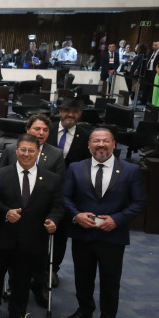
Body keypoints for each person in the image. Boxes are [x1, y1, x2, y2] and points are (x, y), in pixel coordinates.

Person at [63, 128, 147, 318]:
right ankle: (84, 311)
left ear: (114, 144)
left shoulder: (130, 170)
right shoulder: (75, 168)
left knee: (110, 282)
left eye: (106, 141)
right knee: (82, 278)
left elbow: (139, 202)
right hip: (83, 234)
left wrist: (117, 220)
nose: (101, 145)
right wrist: (76, 215)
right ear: (89, 145)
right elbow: (64, 197)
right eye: (96, 141)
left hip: (112, 236)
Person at [0, 134, 63, 318]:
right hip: (3, 236)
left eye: (31, 150)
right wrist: (6, 212)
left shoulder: (52, 179)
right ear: (16, 150)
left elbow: (58, 206)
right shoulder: (1, 174)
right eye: (23, 150)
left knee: (23, 278)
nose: (26, 154)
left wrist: (53, 220)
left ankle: (17, 311)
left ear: (38, 152)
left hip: (32, 239)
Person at [44, 97, 90, 287]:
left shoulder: (85, 136)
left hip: (67, 194)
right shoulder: (47, 130)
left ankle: (53, 269)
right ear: (60, 111)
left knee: (60, 234)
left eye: (74, 112)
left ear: (80, 114)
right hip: (42, 189)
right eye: (66, 111)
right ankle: (36, 267)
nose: (70, 114)